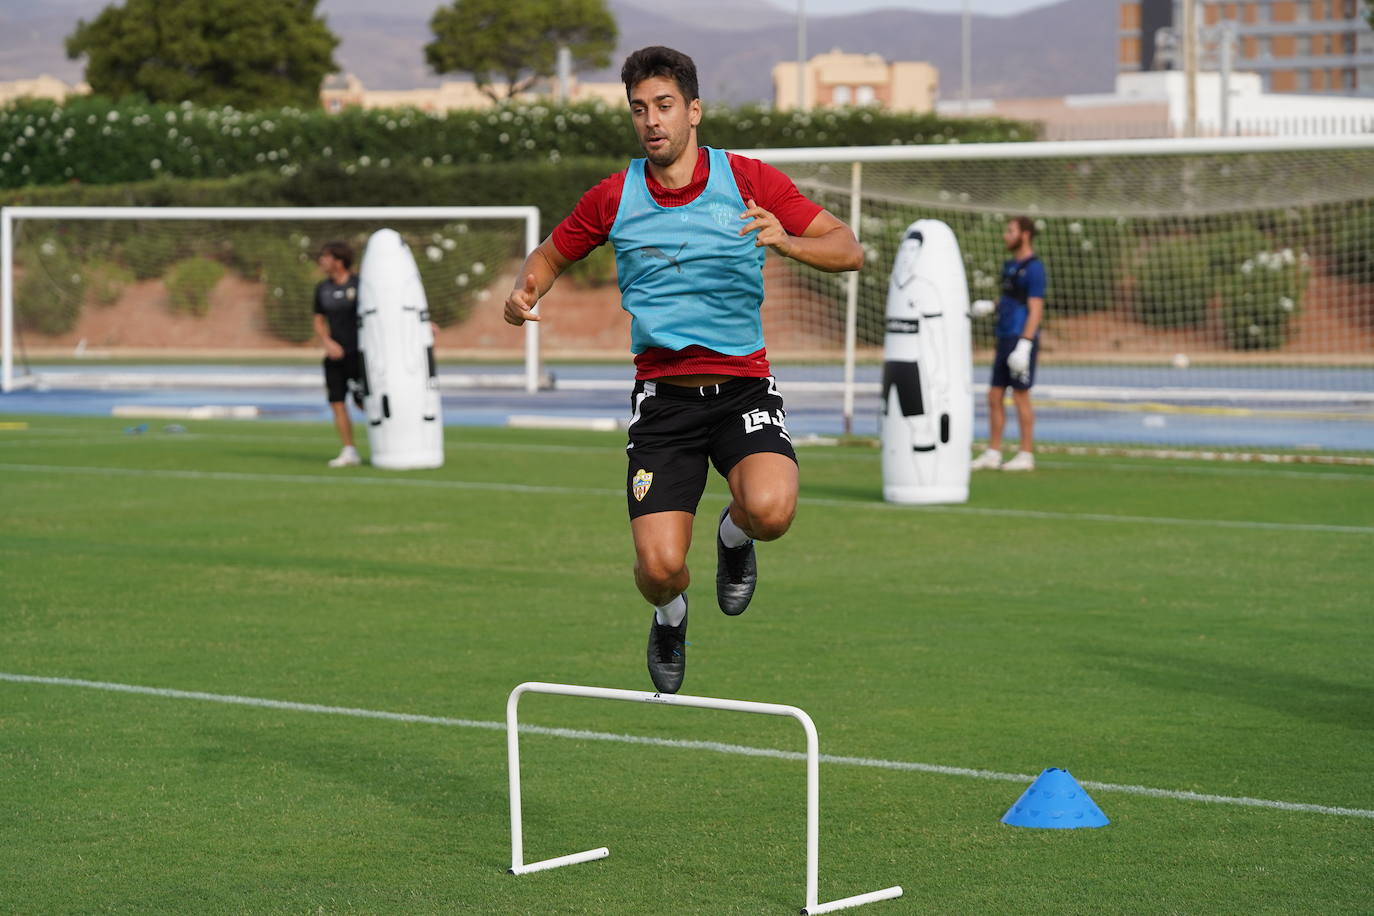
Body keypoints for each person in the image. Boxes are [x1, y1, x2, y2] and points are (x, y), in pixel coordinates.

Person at [503, 46, 863, 694]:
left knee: (772, 511)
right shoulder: (614, 196)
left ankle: (733, 536)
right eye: (639, 109)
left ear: (693, 111)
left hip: (742, 389)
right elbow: (550, 257)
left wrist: (788, 240)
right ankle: (670, 616)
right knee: (660, 567)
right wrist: (525, 291)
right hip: (665, 405)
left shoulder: (750, 180)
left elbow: (848, 248)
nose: (651, 120)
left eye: (664, 105)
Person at [972, 216, 1045, 472]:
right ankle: (993, 452)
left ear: (1024, 235)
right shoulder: (1010, 266)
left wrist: (1025, 344)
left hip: (1020, 338)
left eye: (1011, 231)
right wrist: (991, 306)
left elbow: (1035, 309)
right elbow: (1010, 300)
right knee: (994, 395)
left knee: (1021, 396)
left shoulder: (1034, 268)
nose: (1006, 235)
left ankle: (1026, 454)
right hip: (1004, 336)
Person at [312, 240, 364, 468]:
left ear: (339, 260)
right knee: (337, 402)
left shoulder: (361, 284)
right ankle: (349, 450)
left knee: (366, 403)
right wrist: (327, 342)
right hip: (335, 356)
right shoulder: (322, 288)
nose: (321, 261)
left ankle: (388, 443)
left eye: (325, 256)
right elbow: (318, 320)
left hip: (361, 354)